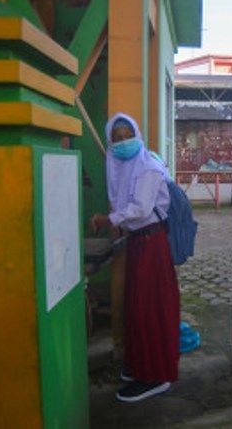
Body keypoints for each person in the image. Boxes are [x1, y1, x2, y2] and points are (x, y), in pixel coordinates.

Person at [90, 113, 180, 403]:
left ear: (137, 134)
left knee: (149, 309)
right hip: (139, 244)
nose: (123, 141)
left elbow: (140, 210)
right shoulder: (124, 167)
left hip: (151, 244)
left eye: (128, 134)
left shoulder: (148, 166)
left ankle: (156, 375)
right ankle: (142, 367)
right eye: (116, 138)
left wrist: (109, 219)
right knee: (138, 309)